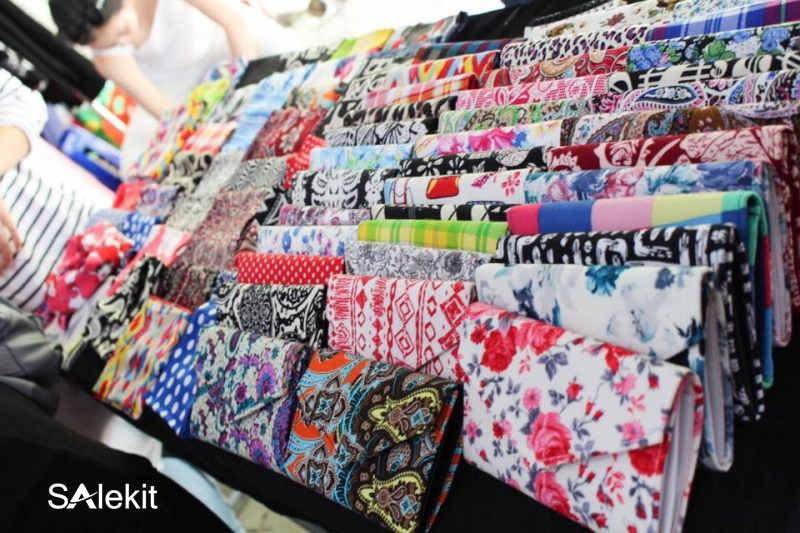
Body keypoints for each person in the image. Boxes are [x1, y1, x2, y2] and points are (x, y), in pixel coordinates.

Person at [49, 0, 301, 169]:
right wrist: (209, 129)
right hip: (181, 93)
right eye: (114, 43)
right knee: (134, 163)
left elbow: (232, 23)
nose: (125, 41)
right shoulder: (106, 59)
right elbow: (168, 112)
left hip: (225, 46)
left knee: (283, 59)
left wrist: (250, 86)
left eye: (123, 31)